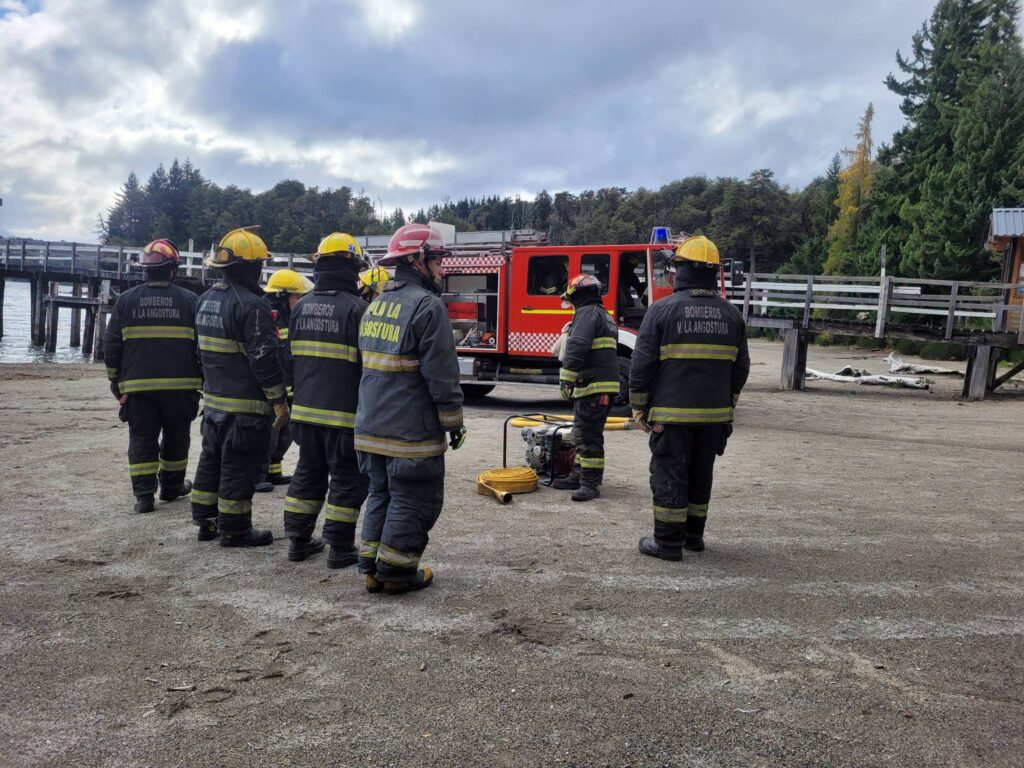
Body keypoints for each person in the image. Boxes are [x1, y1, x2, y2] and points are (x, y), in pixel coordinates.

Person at [354, 223, 466, 594]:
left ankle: (371, 569)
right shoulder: (427, 306)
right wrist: (453, 423)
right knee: (413, 499)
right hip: (411, 434)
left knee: (381, 495)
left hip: (371, 427)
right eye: (436, 260)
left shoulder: (375, 304)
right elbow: (442, 375)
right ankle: (398, 573)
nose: (441, 268)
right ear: (417, 260)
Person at [629, 235, 750, 559]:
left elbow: (641, 365)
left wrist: (639, 406)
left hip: (671, 416)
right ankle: (693, 537)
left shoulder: (661, 311)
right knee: (701, 473)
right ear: (714, 272)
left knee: (669, 472)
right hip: (713, 417)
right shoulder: (732, 315)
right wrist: (728, 406)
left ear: (679, 270)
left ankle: (668, 542)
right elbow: (741, 368)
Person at [190, 228, 289, 547]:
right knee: (238, 466)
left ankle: (205, 521)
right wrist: (278, 400)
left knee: (210, 460)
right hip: (245, 409)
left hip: (215, 404)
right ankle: (235, 528)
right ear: (252, 267)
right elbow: (263, 359)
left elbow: (199, 352)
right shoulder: (252, 305)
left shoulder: (205, 300)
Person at [281, 233, 370, 567]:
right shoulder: (358, 310)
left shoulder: (301, 307)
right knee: (347, 480)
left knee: (307, 472)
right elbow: (368, 370)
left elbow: (290, 361)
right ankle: (340, 548)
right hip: (344, 418)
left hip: (304, 414)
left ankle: (297, 542)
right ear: (351, 268)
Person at [104, 239, 201, 513]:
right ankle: (171, 488)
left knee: (142, 439)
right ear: (173, 270)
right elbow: (202, 346)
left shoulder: (126, 300)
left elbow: (111, 346)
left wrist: (115, 382)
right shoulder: (190, 301)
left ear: (144, 270)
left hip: (138, 387)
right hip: (182, 388)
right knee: (177, 436)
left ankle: (144, 497)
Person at [553, 273, 620, 502]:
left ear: (578, 295)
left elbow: (578, 346)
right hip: (599, 385)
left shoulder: (585, 314)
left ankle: (590, 483)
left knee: (588, 435)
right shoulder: (604, 315)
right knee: (582, 432)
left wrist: (566, 379)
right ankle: (577, 475)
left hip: (593, 386)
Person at [254, 269, 314, 493]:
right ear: (282, 295)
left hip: (288, 385)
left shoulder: (290, 316)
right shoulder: (267, 316)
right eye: (297, 297)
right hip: (271, 388)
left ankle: (273, 470)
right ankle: (258, 475)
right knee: (269, 432)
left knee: (285, 432)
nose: (300, 302)